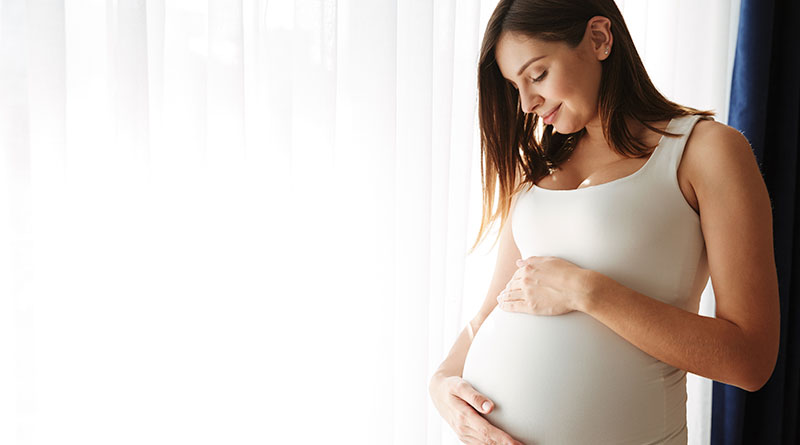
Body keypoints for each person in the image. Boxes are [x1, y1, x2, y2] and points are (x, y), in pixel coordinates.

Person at [428, 0, 781, 444]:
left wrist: (586, 291)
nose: (526, 103)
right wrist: (441, 385)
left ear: (599, 37)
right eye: (514, 86)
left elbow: (751, 360)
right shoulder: (537, 172)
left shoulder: (706, 152)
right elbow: (491, 309)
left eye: (536, 75)